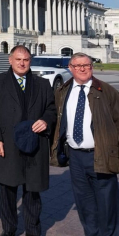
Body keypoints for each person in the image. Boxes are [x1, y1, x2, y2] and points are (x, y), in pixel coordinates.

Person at [0, 45, 56, 236]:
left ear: (30, 61)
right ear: (10, 60)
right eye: (18, 59)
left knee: (32, 191)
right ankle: (9, 229)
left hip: (35, 145)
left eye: (25, 59)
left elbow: (51, 109)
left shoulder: (42, 84)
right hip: (8, 144)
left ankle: (33, 229)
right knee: (7, 190)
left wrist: (46, 120)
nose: (22, 63)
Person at [51, 52, 119, 236]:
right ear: (70, 68)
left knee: (107, 203)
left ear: (92, 67)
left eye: (86, 65)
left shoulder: (106, 91)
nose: (82, 69)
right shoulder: (62, 92)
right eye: (77, 66)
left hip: (101, 154)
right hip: (76, 157)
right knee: (84, 203)